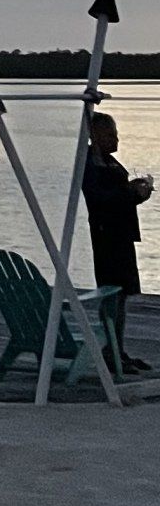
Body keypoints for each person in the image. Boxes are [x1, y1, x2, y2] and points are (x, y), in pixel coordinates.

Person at [82, 109, 152, 372]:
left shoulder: (108, 162)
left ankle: (116, 349)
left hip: (121, 236)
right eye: (112, 134)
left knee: (121, 297)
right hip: (107, 237)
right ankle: (111, 352)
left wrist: (134, 188)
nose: (117, 140)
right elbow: (102, 200)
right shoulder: (91, 164)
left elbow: (115, 192)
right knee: (112, 294)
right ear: (98, 135)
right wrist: (134, 195)